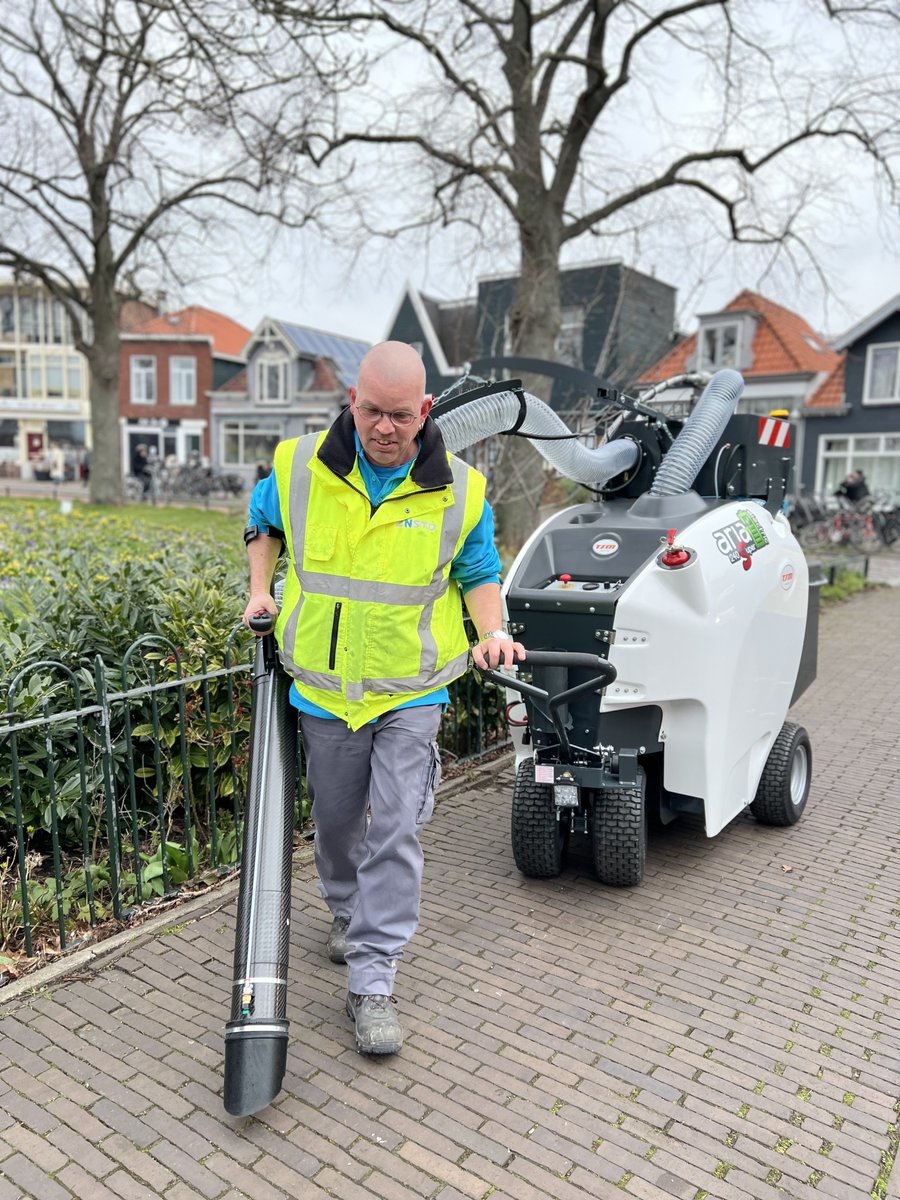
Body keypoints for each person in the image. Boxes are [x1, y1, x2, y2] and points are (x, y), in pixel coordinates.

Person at [242, 340, 524, 1056]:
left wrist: (492, 632)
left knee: (396, 828)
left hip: (410, 691)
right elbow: (262, 521)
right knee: (336, 827)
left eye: (401, 415)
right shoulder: (298, 466)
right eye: (373, 412)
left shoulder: (459, 490)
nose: (386, 428)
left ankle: (373, 980)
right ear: (352, 403)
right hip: (325, 692)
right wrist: (258, 589)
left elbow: (481, 570)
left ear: (425, 411)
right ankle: (344, 911)